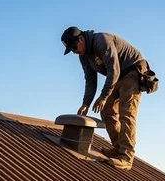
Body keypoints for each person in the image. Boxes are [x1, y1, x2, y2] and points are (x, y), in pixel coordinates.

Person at [61, 26, 149, 170]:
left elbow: (113, 70)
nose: (75, 52)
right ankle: (119, 148)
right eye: (71, 50)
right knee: (106, 110)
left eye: (74, 47)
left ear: (81, 39)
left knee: (126, 113)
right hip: (119, 76)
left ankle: (126, 157)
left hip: (133, 71)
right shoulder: (84, 56)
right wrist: (86, 103)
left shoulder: (102, 41)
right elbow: (90, 80)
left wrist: (102, 96)